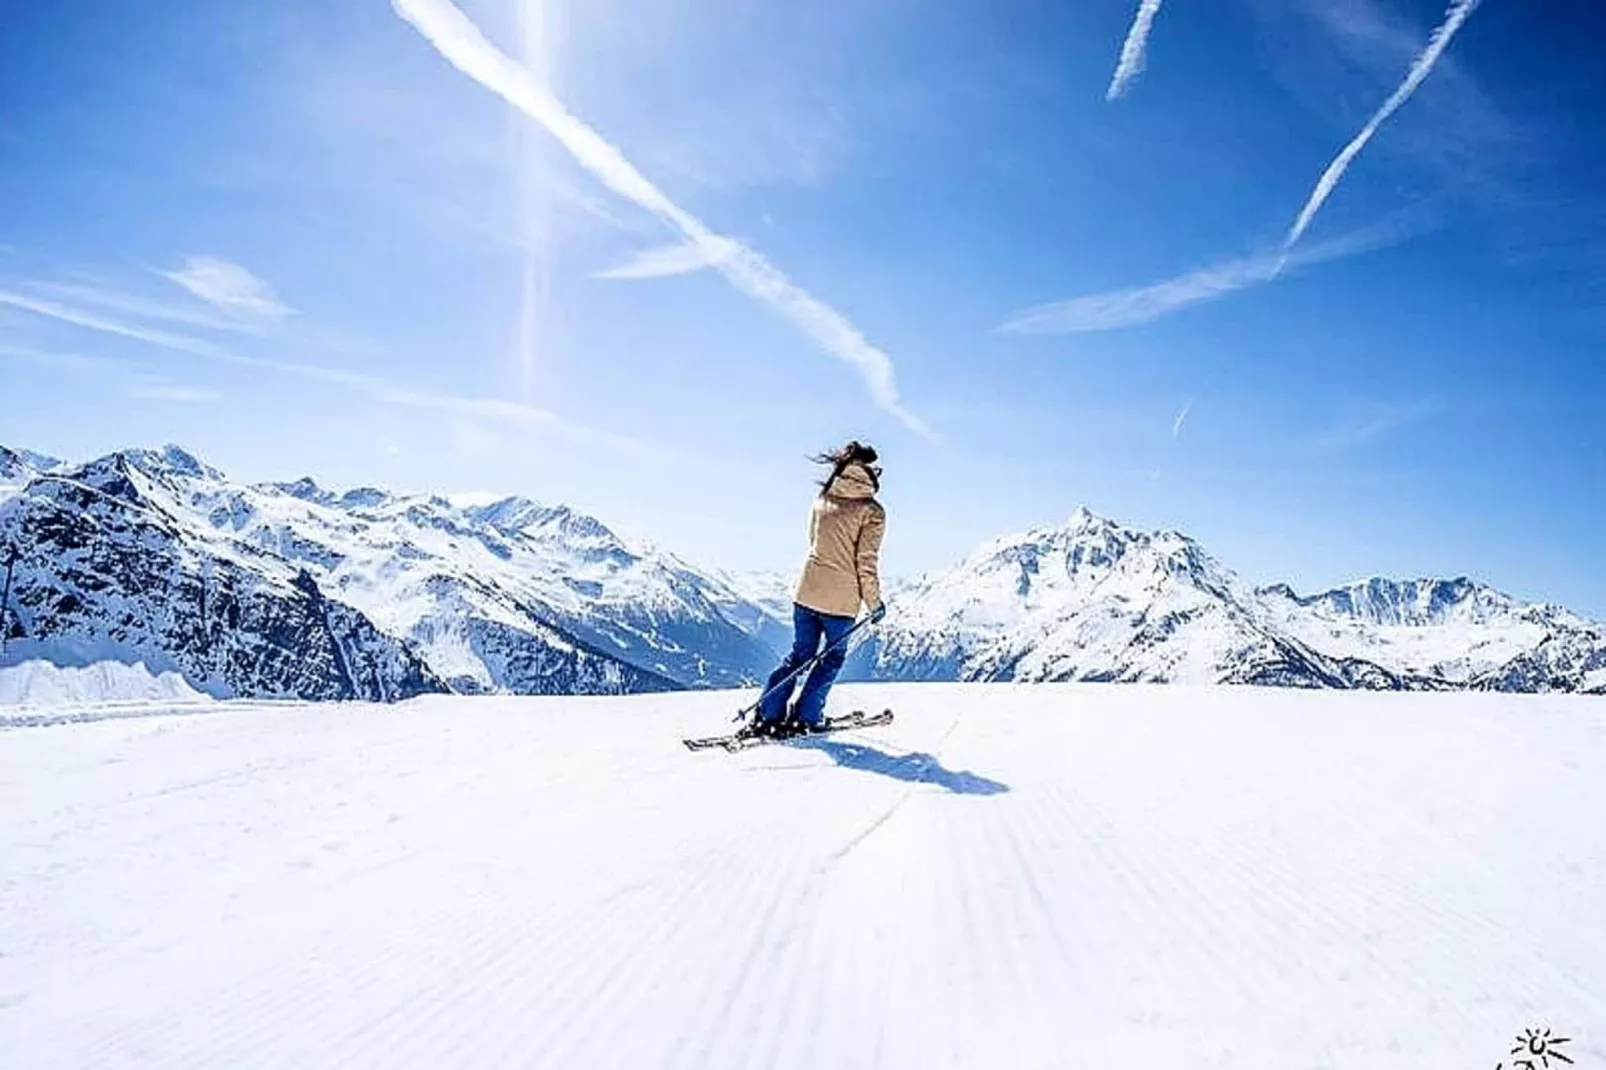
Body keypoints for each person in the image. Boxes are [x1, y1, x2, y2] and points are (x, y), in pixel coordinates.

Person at [747, 440, 887, 739]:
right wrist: (874, 604)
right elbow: (865, 563)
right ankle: (806, 717)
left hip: (806, 592)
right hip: (840, 603)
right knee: (831, 659)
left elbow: (814, 542)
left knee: (799, 656)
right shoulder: (872, 512)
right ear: (868, 471)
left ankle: (769, 714)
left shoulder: (822, 498)